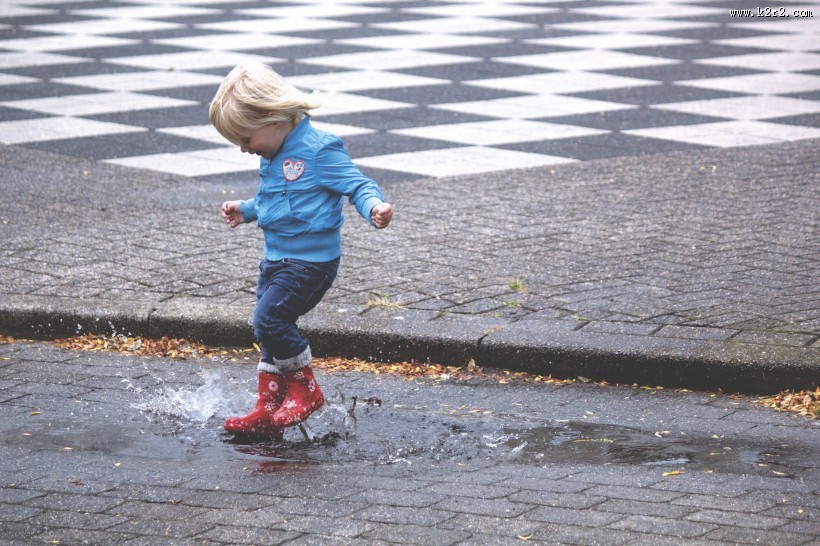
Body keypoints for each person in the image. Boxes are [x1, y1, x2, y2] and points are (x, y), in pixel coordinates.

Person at [209, 62, 393, 439]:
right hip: (275, 259)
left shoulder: (319, 149)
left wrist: (374, 206)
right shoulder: (272, 155)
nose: (244, 149)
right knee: (270, 330)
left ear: (274, 119)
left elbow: (358, 185)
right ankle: (269, 404)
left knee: (268, 320)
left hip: (311, 263)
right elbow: (273, 200)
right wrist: (245, 210)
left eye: (245, 138)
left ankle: (306, 390)